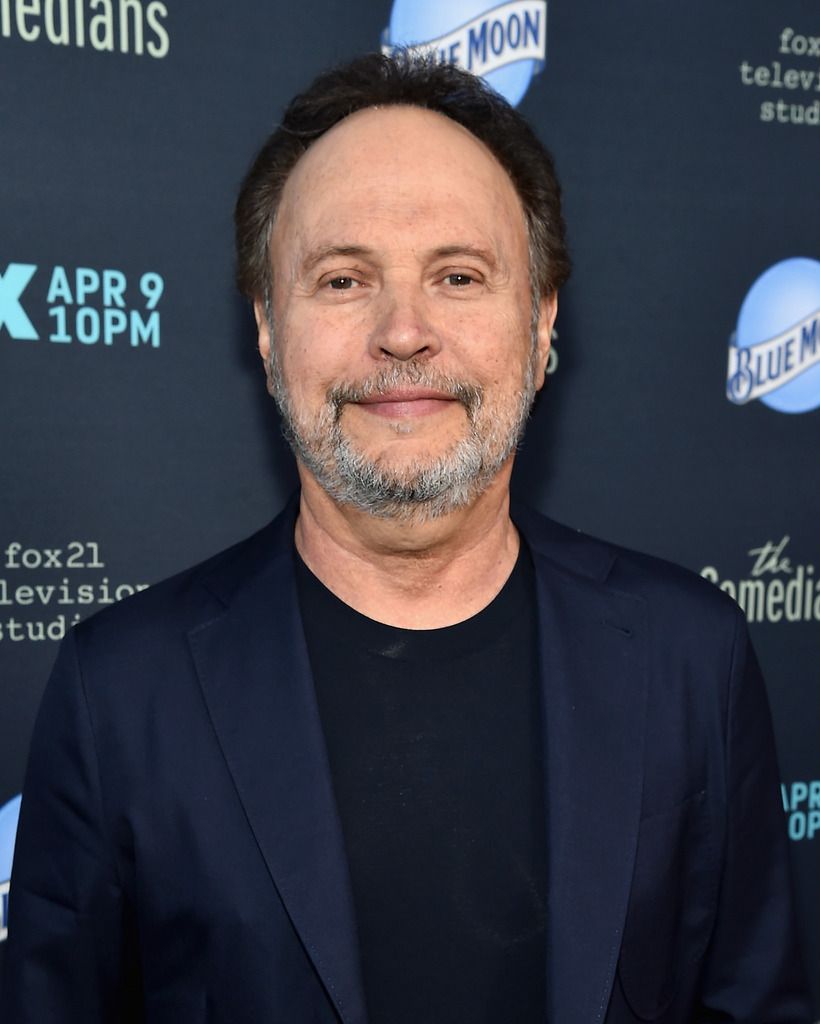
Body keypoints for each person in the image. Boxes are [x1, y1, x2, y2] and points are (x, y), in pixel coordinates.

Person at [3, 53, 811, 1024]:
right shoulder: (118, 691)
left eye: (459, 275)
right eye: (343, 279)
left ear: (541, 320)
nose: (402, 332)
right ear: (267, 328)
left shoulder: (692, 655)